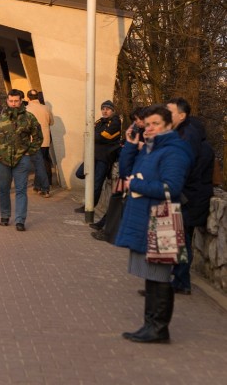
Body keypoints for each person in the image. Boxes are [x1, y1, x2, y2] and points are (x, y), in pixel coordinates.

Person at [114, 105, 192, 343]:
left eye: (155, 124)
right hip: (149, 216)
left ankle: (158, 328)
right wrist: (129, 144)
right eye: (147, 124)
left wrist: (136, 186)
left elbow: (170, 188)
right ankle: (151, 325)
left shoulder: (173, 152)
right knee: (152, 275)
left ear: (169, 125)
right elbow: (126, 171)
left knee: (159, 275)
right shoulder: (151, 149)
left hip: (162, 218)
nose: (150, 128)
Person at [165, 97, 215, 296]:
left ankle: (182, 281)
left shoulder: (189, 139)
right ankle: (177, 279)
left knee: (182, 240)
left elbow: (187, 172)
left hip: (190, 199)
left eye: (170, 112)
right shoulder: (185, 135)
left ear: (182, 115)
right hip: (188, 197)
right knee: (179, 239)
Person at [0, 89, 42, 231]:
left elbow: (38, 137)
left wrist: (29, 152)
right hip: (2, 159)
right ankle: (5, 216)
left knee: (21, 190)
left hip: (21, 159)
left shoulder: (29, 117)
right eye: (11, 101)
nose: (13, 104)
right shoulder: (0, 116)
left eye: (16, 101)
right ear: (7, 101)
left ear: (21, 100)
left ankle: (20, 220)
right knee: (3, 189)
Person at [92, 107, 147, 242]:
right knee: (116, 202)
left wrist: (138, 146)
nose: (138, 122)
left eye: (139, 119)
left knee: (119, 204)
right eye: (135, 120)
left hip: (136, 177)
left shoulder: (148, 136)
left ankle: (108, 231)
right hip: (129, 174)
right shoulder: (137, 132)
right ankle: (106, 228)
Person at [75, 100, 122, 213]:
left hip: (105, 156)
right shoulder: (99, 121)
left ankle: (89, 206)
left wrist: (95, 135)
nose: (105, 111)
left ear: (112, 110)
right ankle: (89, 200)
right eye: (103, 109)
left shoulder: (115, 122)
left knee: (97, 183)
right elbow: (90, 133)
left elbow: (104, 136)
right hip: (93, 155)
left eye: (108, 109)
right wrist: (95, 135)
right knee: (80, 173)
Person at [26, 89, 54, 197]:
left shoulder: (26, 109)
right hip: (45, 140)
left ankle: (45, 188)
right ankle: (37, 185)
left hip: (33, 140)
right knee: (41, 162)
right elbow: (51, 122)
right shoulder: (45, 108)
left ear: (28, 98)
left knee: (39, 164)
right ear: (37, 97)